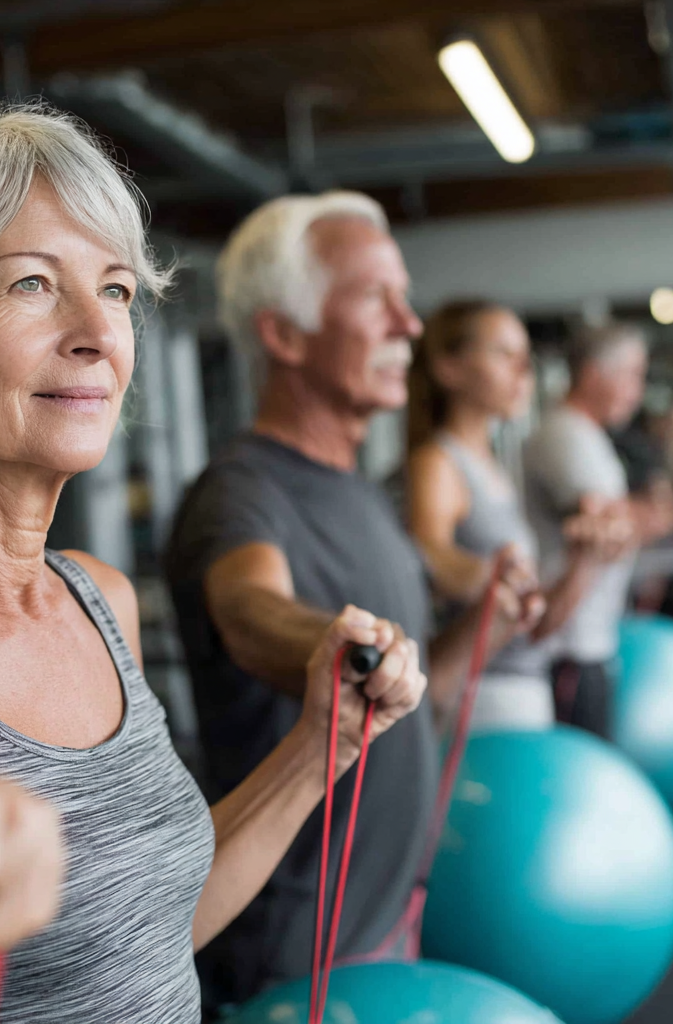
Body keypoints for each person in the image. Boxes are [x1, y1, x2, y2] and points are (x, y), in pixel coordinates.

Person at [0, 97, 427, 1024]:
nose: (96, 330)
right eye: (31, 284)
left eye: (118, 289)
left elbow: (142, 933)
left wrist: (319, 748)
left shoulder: (100, 599)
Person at [165, 193, 543, 1014]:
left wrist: (484, 628)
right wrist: (327, 641)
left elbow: (415, 697)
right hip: (294, 953)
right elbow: (248, 612)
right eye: (377, 297)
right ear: (284, 334)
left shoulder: (365, 497)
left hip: (386, 924)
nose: (410, 325)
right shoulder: (240, 496)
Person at [406, 300, 628, 731]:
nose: (524, 369)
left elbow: (532, 626)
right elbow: (427, 557)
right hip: (478, 696)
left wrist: (585, 559)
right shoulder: (437, 463)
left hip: (524, 690)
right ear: (448, 368)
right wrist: (494, 573)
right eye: (505, 354)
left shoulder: (496, 469)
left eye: (525, 355)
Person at [523, 321, 651, 737]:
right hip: (568, 646)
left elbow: (621, 522)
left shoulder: (587, 435)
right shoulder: (564, 434)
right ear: (595, 373)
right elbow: (609, 526)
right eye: (632, 375)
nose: (637, 390)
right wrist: (640, 516)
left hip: (589, 639)